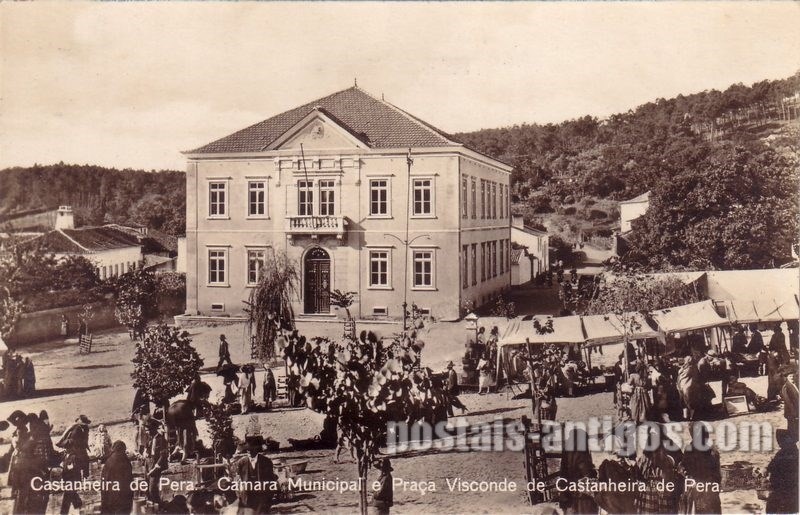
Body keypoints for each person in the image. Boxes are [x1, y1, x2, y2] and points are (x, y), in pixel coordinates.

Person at [679, 422, 721, 514]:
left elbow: (684, 467)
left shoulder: (691, 449)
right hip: (708, 489)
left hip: (698, 489)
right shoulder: (712, 449)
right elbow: (717, 474)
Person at [233, 435, 278, 514]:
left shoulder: (266, 462)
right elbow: (238, 481)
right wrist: (240, 495)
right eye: (247, 450)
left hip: (262, 499)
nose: (249, 452)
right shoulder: (241, 463)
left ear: (257, 449)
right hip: (246, 499)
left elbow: (271, 481)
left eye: (251, 449)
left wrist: (268, 499)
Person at [57, 415, 92, 514]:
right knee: (70, 489)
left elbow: (63, 443)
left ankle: (73, 507)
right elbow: (84, 454)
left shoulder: (75, 430)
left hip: (70, 462)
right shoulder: (81, 431)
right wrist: (85, 472)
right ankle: (76, 506)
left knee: (69, 489)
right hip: (74, 463)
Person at [559, 428, 597, 514]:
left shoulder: (567, 450)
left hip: (566, 491)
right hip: (579, 494)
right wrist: (593, 474)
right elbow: (586, 471)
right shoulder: (581, 452)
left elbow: (563, 471)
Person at [766, 429, 799, 514]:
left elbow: (774, 466)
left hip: (782, 488)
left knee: (773, 507)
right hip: (788, 488)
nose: (779, 443)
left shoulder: (786, 453)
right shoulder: (791, 451)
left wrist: (769, 469)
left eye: (780, 440)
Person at [101, 440, 134, 515]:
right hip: (123, 497)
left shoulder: (109, 461)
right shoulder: (125, 460)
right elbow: (129, 479)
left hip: (110, 495)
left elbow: (104, 479)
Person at [146, 419, 169, 504]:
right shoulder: (150, 438)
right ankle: (152, 506)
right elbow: (148, 448)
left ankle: (158, 506)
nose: (147, 432)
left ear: (153, 429)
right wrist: (146, 452)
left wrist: (155, 468)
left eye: (148, 430)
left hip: (157, 464)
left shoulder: (161, 439)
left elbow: (163, 455)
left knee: (152, 489)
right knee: (147, 488)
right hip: (149, 463)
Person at [780, 367, 798, 440]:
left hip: (797, 409)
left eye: (793, 376)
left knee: (796, 425)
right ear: (787, 377)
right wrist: (794, 413)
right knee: (791, 425)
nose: (792, 378)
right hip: (791, 411)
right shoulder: (785, 387)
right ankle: (792, 438)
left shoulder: (796, 384)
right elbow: (788, 402)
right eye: (790, 376)